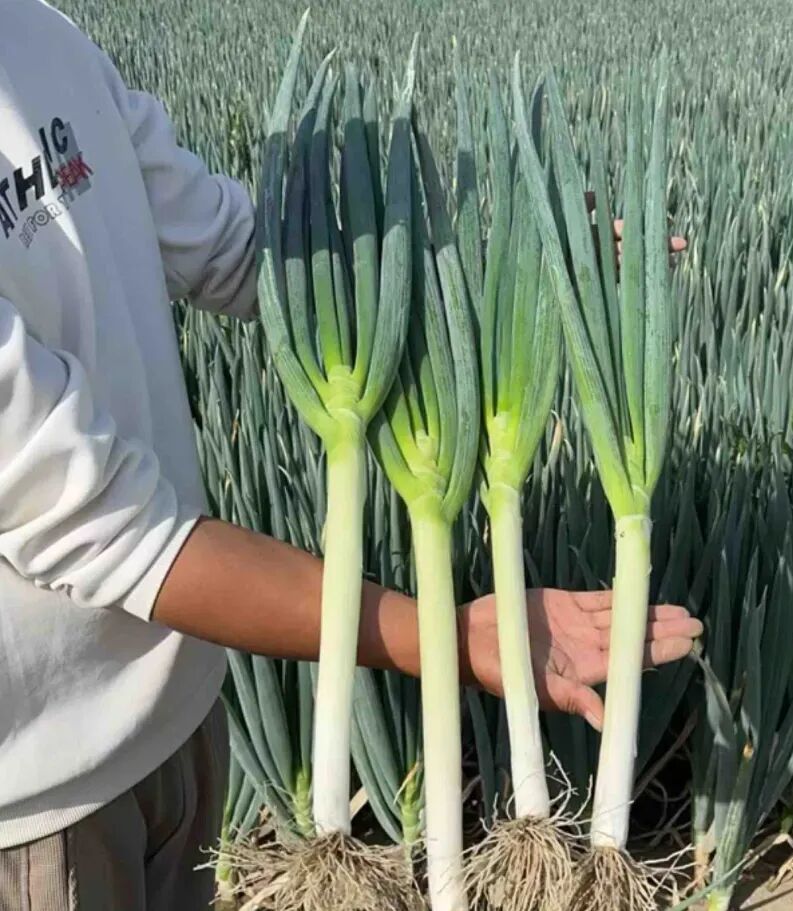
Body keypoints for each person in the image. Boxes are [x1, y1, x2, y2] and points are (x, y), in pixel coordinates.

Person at [0, 0, 703, 908]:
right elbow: (102, 529)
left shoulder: (42, 34)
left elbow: (245, 252)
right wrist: (446, 635)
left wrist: (514, 271)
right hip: (45, 801)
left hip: (182, 719)